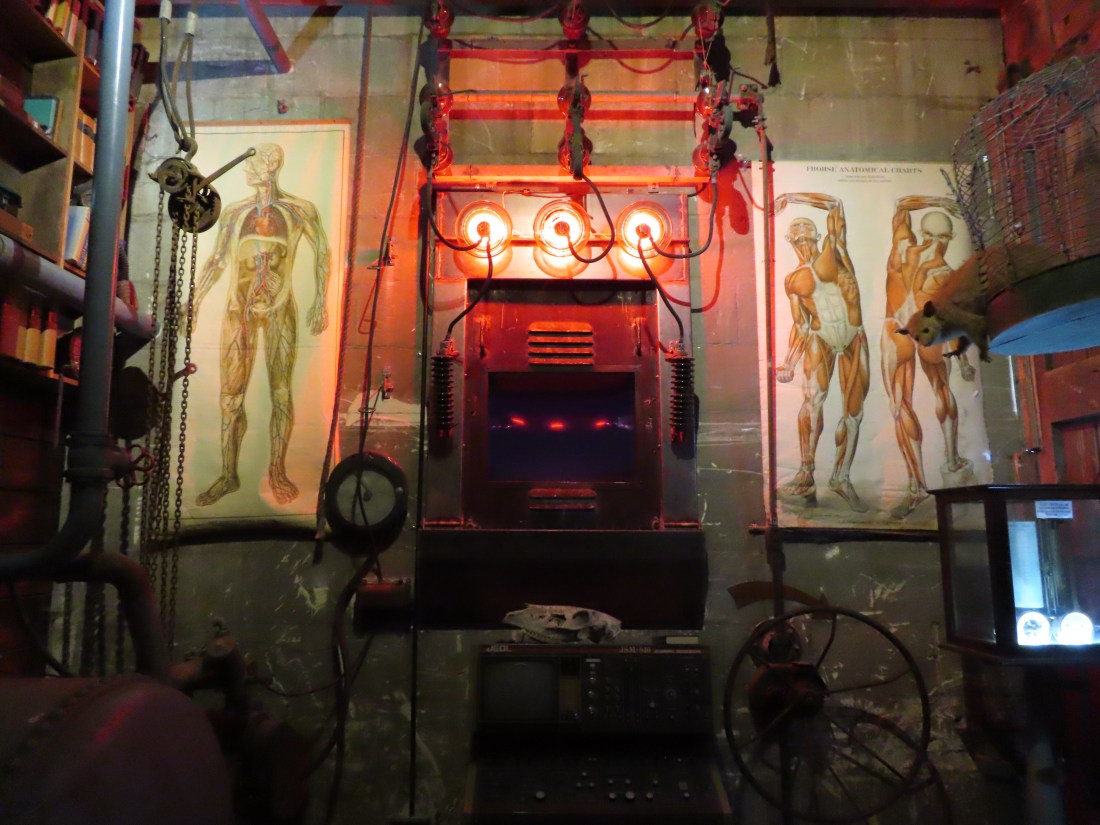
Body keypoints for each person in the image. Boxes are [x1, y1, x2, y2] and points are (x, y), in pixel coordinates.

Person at [192, 143, 331, 506]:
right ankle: (228, 475)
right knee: (230, 396)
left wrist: (320, 300)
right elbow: (217, 260)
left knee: (281, 393)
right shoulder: (235, 212)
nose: (246, 170)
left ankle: (277, 471)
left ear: (270, 166)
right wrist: (195, 301)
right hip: (238, 309)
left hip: (279, 307)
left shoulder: (299, 210)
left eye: (252, 164)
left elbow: (322, 251)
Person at [775, 193, 870, 512]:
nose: (802, 233)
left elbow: (835, 205)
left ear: (817, 235)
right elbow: (800, 324)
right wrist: (789, 362)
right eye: (796, 231)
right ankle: (806, 472)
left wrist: (791, 197)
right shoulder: (793, 281)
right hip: (821, 338)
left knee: (854, 411)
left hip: (853, 336)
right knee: (813, 399)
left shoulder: (835, 252)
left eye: (807, 229)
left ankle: (841, 477)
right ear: (790, 240)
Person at [881, 196, 974, 519]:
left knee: (900, 403)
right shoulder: (947, 273)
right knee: (941, 388)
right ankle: (951, 460)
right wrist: (963, 361)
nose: (938, 243)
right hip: (926, 331)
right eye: (939, 236)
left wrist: (936, 202)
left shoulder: (901, 251)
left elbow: (901, 206)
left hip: (895, 329)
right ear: (949, 237)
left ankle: (917, 488)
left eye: (940, 237)